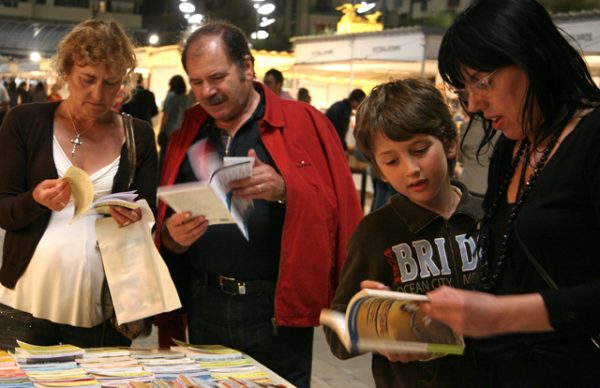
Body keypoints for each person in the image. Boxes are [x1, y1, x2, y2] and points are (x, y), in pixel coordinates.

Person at [156, 20, 363, 388]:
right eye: (197, 82)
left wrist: (286, 190)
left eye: (217, 77)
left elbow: (339, 210)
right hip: (205, 304)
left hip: (274, 312)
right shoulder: (187, 132)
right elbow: (163, 228)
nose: (207, 91)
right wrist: (172, 239)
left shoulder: (304, 124)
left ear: (247, 68)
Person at [419, 0, 600, 386]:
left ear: (535, 57)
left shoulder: (592, 138)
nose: (474, 104)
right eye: (464, 88)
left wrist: (505, 314)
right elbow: (505, 272)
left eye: (483, 81)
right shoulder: (513, 145)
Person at [0, 19, 158, 349]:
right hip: (23, 305)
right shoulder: (24, 121)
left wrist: (134, 218)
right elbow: (3, 209)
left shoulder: (138, 135)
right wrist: (35, 200)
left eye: (111, 83)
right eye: (87, 80)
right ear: (67, 70)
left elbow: (148, 215)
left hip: (103, 310)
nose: (98, 94)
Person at [325, 78, 482, 387]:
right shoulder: (375, 233)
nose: (411, 168)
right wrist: (370, 321)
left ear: (450, 143)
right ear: (380, 171)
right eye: (392, 161)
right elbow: (336, 334)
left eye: (420, 149)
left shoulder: (487, 217)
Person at [456, 116, 496, 197]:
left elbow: (459, 155)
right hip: (490, 185)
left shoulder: (466, 127)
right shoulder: (498, 129)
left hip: (468, 183)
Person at [158, 75, 190, 170]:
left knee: (164, 157)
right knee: (175, 157)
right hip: (181, 132)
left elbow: (165, 115)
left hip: (168, 131)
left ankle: (162, 179)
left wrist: (161, 130)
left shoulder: (170, 96)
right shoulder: (186, 98)